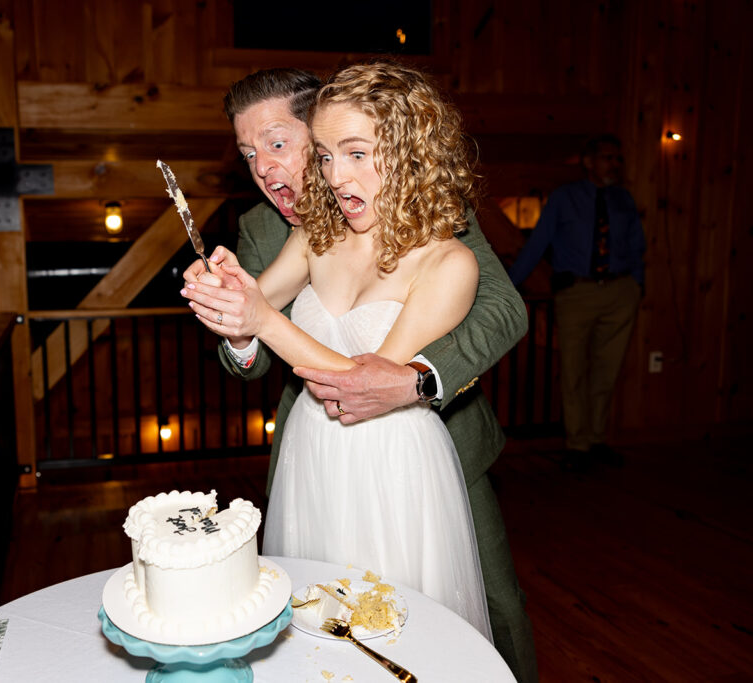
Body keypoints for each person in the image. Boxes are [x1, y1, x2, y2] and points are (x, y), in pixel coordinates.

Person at [183, 67, 538, 683]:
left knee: (466, 618)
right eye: (247, 153)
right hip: (312, 454)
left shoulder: (441, 226)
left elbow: (505, 308)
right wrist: (229, 309)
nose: (265, 168)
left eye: (276, 143)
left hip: (429, 449)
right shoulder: (274, 230)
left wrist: (419, 379)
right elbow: (250, 345)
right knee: (317, 625)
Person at [507, 134, 645, 472]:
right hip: (577, 293)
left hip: (619, 292)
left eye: (618, 158)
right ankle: (577, 445)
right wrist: (508, 286)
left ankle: (597, 440)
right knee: (573, 371)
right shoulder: (565, 198)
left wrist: (636, 286)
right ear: (588, 162)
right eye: (607, 157)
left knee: (606, 370)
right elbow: (537, 243)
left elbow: (638, 245)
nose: (613, 164)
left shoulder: (624, 199)